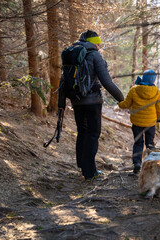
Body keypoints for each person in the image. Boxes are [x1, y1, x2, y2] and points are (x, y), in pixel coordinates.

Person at [58, 30, 124, 181]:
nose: (100, 46)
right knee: (93, 134)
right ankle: (90, 172)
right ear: (94, 42)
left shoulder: (72, 53)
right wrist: (122, 100)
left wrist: (61, 103)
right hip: (93, 102)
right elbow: (107, 82)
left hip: (76, 101)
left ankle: (82, 166)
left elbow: (63, 81)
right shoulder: (95, 55)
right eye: (98, 43)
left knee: (82, 132)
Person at [118, 69, 160, 174]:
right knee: (150, 144)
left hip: (137, 123)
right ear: (153, 80)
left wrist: (119, 103)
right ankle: (151, 165)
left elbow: (126, 104)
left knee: (138, 143)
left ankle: (137, 163)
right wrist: (159, 117)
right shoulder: (157, 92)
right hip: (150, 123)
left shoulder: (134, 90)